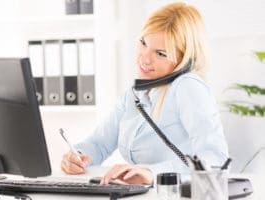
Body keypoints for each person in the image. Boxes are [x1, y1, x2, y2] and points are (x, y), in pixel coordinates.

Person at [61, 2, 228, 186]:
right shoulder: (136, 93)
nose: (145, 58)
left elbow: (215, 159)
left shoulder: (188, 87)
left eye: (161, 53)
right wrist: (77, 156)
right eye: (143, 43)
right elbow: (100, 143)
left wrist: (152, 173)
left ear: (184, 60)